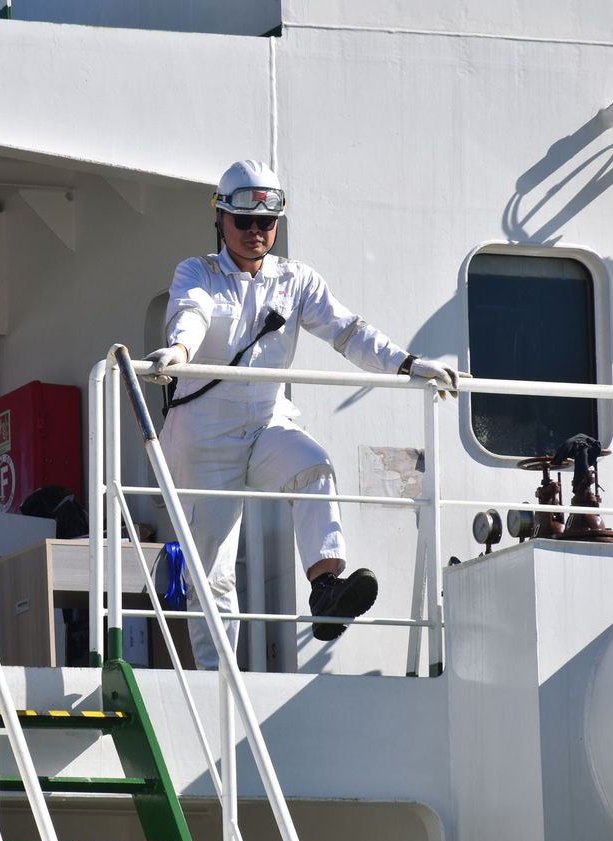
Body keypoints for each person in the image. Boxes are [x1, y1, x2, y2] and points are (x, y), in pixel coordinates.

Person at [144, 159, 463, 670]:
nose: (255, 233)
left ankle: (325, 589)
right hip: (202, 434)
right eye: (244, 222)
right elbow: (192, 312)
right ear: (221, 219)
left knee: (313, 466)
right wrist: (178, 351)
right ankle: (217, 680)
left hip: (268, 420)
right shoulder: (197, 271)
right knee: (214, 570)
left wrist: (408, 364)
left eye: (266, 223)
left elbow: (347, 331)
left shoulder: (296, 281)